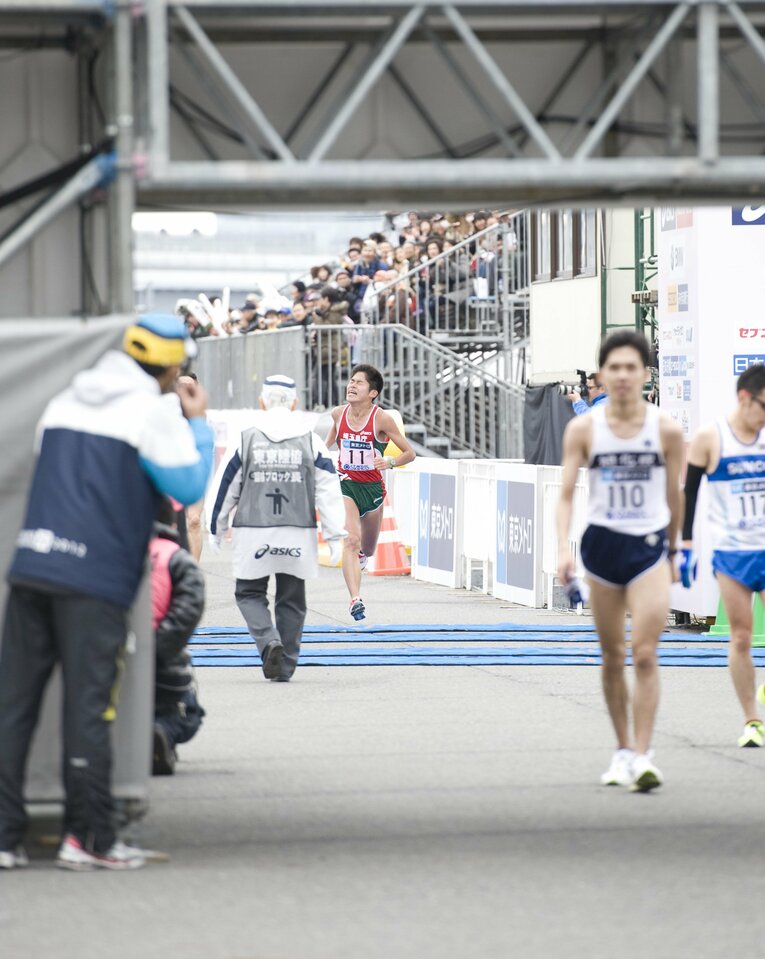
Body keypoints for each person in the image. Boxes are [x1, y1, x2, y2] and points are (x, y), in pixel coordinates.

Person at [0, 315, 214, 871]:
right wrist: (198, 423)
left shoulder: (68, 398)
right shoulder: (149, 411)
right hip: (93, 581)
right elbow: (188, 486)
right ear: (172, 366)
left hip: (33, 564)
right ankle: (89, 839)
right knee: (90, 708)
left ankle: (3, 837)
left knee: (13, 706)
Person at [556, 330, 683, 792]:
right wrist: (560, 549)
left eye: (633, 367)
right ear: (602, 375)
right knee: (612, 656)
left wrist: (675, 549)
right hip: (602, 546)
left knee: (645, 653)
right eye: (616, 368)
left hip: (648, 547)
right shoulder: (584, 428)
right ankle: (623, 749)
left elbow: (674, 495)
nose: (624, 375)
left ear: (645, 374)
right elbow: (566, 494)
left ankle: (645, 755)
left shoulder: (665, 428)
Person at [208, 374, 346, 682]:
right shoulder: (311, 441)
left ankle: (268, 641)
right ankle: (284, 666)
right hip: (297, 531)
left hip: (253, 529)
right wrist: (336, 536)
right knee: (292, 600)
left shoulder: (246, 438)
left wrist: (215, 528)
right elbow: (328, 490)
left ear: (261, 401)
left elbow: (225, 488)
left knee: (249, 593)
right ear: (295, 403)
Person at [680, 363, 765, 748]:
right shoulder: (710, 437)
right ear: (745, 399)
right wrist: (683, 546)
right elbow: (691, 494)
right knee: (742, 638)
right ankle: (752, 720)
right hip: (732, 552)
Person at [326, 365, 416, 622]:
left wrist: (390, 463)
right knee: (350, 541)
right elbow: (328, 443)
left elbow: (409, 453)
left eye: (359, 383)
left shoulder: (382, 419)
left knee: (367, 549)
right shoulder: (338, 414)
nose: (351, 386)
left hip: (373, 490)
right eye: (351, 381)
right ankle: (355, 599)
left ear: (373, 392)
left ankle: (362, 557)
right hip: (346, 484)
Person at [149, 499, 206, 776]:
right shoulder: (175, 556)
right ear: (173, 523)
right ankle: (163, 732)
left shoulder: (117, 551)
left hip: (117, 654)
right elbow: (189, 610)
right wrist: (161, 647)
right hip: (165, 664)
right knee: (186, 715)